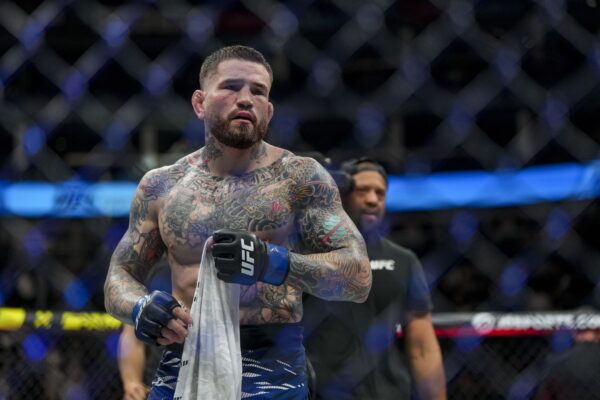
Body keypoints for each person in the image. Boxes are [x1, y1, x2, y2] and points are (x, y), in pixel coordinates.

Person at [103, 45, 372, 400]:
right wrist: (140, 307)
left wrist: (271, 263)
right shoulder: (161, 186)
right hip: (184, 355)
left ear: (269, 112)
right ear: (200, 103)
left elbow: (358, 276)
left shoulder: (300, 178)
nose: (245, 99)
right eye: (231, 87)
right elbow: (119, 276)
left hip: (272, 365)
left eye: (258, 91)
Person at [303, 157, 446, 400]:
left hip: (389, 393)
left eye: (380, 193)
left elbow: (422, 348)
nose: (372, 199)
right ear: (341, 195)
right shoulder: (307, 253)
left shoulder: (403, 261)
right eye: (363, 190)